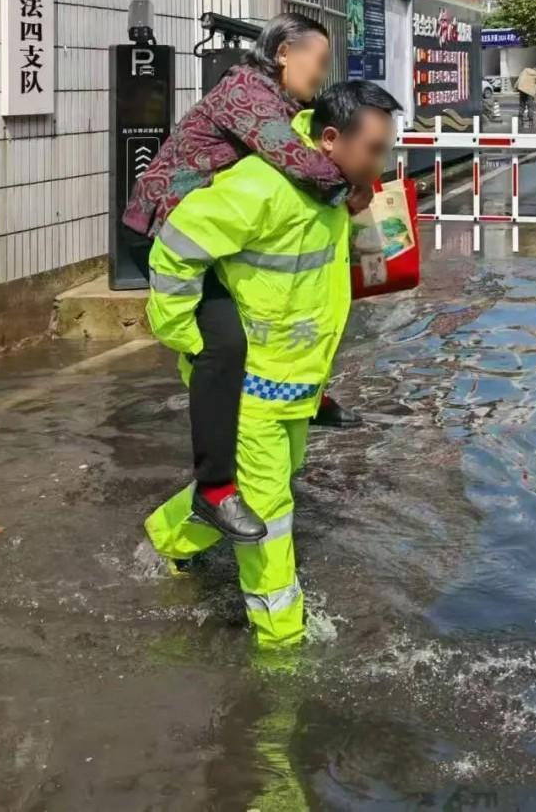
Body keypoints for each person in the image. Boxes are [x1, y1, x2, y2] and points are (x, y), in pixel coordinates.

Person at [143, 80, 402, 648]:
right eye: (376, 149)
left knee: (275, 480)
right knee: (268, 508)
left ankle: (168, 535)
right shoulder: (264, 186)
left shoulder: (331, 185)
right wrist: (184, 334)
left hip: (296, 380)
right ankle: (280, 636)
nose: (383, 162)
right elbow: (177, 245)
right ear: (330, 138)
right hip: (251, 382)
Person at [123, 13, 370, 545]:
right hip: (170, 230)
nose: (320, 75)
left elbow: (315, 139)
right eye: (318, 62)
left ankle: (306, 394)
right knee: (224, 344)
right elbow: (296, 159)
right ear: (284, 53)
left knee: (296, 303)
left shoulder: (284, 103)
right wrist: (346, 186)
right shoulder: (246, 93)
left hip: (216, 233)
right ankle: (214, 488)